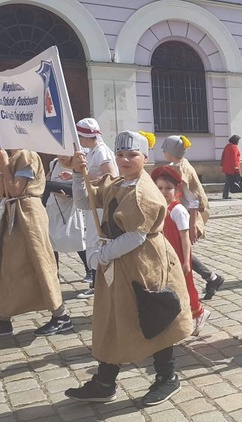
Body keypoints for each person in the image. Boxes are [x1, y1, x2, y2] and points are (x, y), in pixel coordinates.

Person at [66, 131, 193, 405]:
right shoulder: (118, 183)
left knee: (153, 315)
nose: (124, 159)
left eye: (132, 154)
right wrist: (79, 174)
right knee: (114, 317)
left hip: (143, 261)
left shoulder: (143, 192)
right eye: (120, 154)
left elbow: (135, 235)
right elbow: (83, 201)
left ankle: (167, 377)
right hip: (119, 260)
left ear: (145, 157)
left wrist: (101, 256)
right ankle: (104, 381)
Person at [0, 149, 73, 336]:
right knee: (9, 265)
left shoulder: (26, 155)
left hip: (28, 214)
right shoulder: (13, 156)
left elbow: (17, 188)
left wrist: (4, 163)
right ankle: (4, 317)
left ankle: (61, 316)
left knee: (41, 262)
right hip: (13, 212)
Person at [161, 135, 225, 300]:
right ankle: (212, 278)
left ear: (170, 150)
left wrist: (191, 226)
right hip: (173, 217)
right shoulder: (174, 166)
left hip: (183, 218)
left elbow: (193, 199)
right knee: (177, 251)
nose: (162, 151)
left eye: (164, 149)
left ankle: (207, 279)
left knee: (180, 252)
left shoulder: (183, 169)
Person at [151, 166, 210, 336]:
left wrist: (186, 261)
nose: (164, 192)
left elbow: (185, 238)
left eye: (168, 188)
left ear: (176, 190)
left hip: (178, 255)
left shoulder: (177, 210)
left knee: (186, 285)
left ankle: (199, 312)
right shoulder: (160, 207)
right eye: (160, 188)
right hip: (164, 254)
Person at [75, 118, 118, 299]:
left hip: (101, 202)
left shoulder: (101, 151)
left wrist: (88, 177)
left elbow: (111, 176)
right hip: (94, 201)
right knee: (93, 240)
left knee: (98, 241)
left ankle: (99, 283)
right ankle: (98, 281)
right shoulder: (92, 151)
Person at [45, 155, 89, 277]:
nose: (61, 157)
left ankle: (89, 270)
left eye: (64, 154)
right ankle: (55, 272)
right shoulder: (54, 163)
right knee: (52, 240)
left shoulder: (78, 165)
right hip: (54, 205)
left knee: (76, 238)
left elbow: (82, 186)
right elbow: (47, 181)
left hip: (71, 207)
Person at [221, 135, 242, 199]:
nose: (238, 142)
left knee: (228, 182)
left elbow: (223, 156)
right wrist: (236, 168)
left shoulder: (227, 146)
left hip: (227, 167)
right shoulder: (234, 147)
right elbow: (234, 159)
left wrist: (222, 164)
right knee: (240, 181)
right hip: (233, 168)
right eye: (238, 140)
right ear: (235, 141)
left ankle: (225, 195)